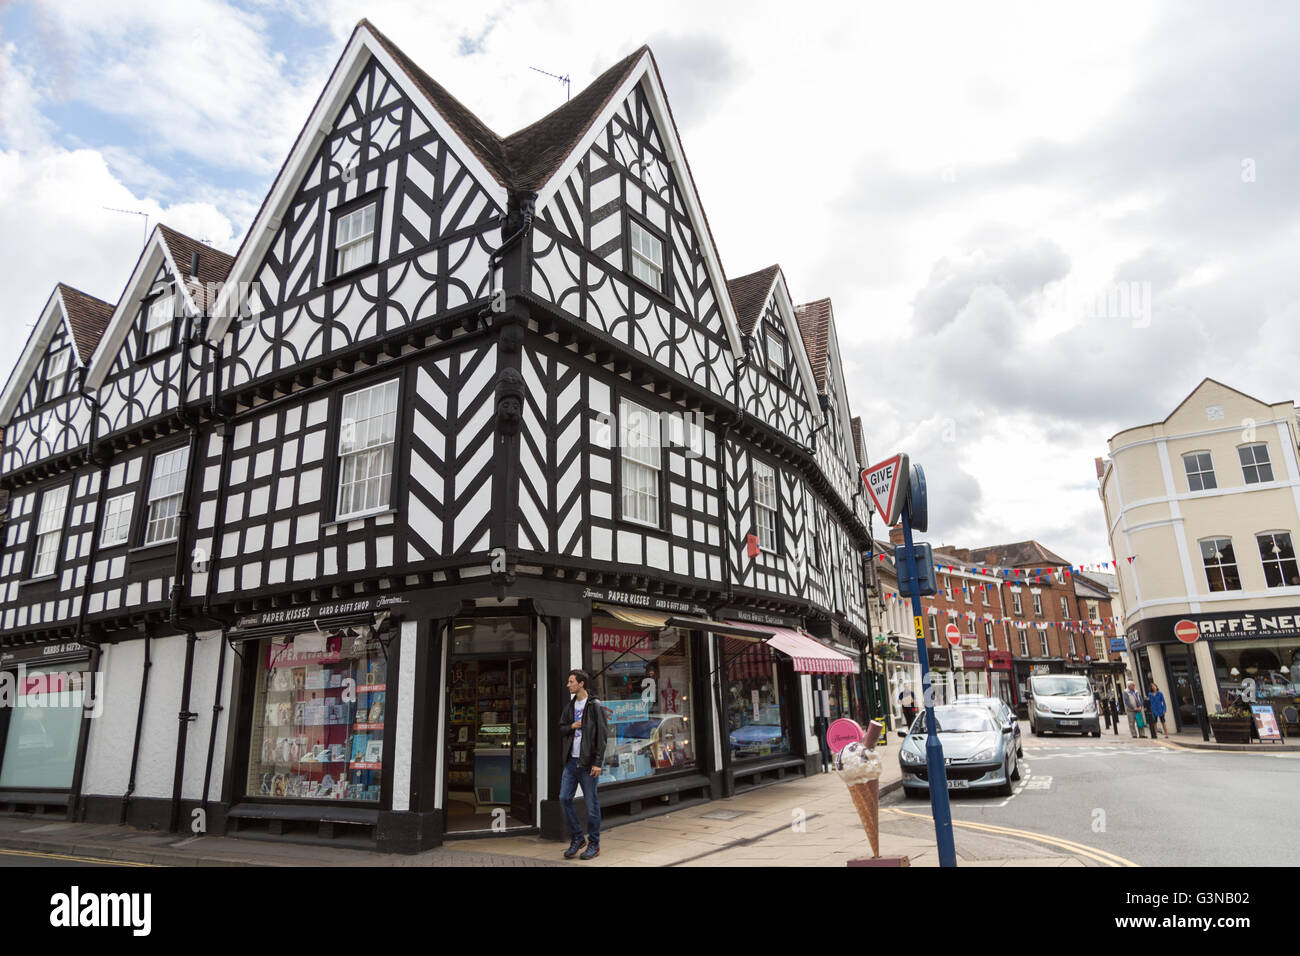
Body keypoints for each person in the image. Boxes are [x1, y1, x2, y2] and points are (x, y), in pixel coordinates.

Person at [557, 669, 609, 860]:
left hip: (588, 764)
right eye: (568, 681)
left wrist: (597, 762)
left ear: (581, 684)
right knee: (564, 798)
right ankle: (578, 838)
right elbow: (561, 728)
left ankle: (594, 844)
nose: (568, 685)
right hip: (571, 762)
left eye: (571, 682)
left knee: (591, 805)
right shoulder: (569, 707)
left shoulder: (594, 705)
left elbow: (602, 736)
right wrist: (573, 726)